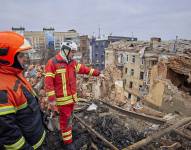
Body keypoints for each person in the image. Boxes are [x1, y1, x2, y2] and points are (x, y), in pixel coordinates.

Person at [45, 40, 105, 149]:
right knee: (66, 122)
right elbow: (48, 83)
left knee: (68, 120)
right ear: (65, 50)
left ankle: (67, 136)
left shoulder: (72, 63)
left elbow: (84, 69)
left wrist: (98, 73)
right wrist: (52, 100)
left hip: (72, 100)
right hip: (62, 102)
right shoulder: (52, 63)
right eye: (72, 52)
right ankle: (68, 144)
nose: (73, 55)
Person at [0, 31, 46, 150]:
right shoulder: (2, 89)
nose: (24, 59)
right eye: (21, 56)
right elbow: (9, 135)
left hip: (35, 137)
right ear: (7, 58)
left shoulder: (13, 73)